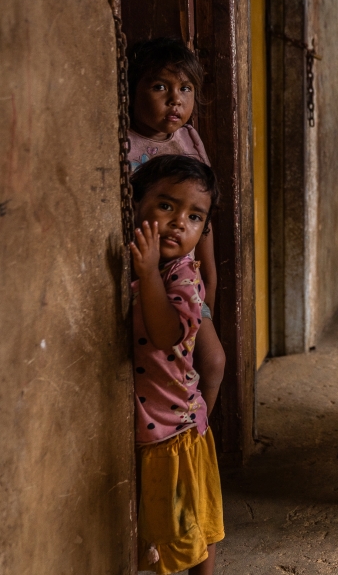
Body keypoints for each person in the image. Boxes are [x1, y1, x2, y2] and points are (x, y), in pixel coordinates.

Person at [130, 155, 224, 575]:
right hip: (163, 423)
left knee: (187, 532)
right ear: (135, 205)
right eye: (166, 206)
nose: (178, 223)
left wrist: (148, 273)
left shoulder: (182, 277)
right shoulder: (150, 263)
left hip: (172, 429)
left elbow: (166, 333)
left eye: (194, 217)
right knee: (188, 526)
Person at [127, 38, 225, 414]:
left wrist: (209, 287)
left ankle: (198, 431)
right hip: (147, 273)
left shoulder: (188, 139)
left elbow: (203, 211)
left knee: (213, 361)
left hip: (188, 277)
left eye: (185, 89)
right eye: (159, 87)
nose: (175, 100)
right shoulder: (124, 144)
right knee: (156, 369)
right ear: (133, 91)